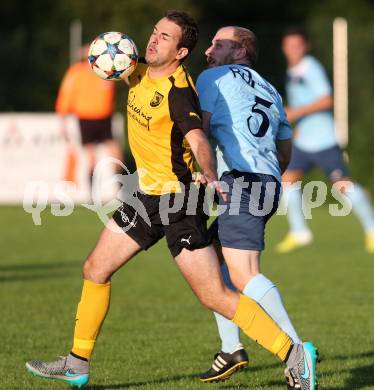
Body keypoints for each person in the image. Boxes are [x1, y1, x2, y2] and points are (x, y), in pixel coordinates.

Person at [25, 11, 315, 390]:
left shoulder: (181, 93)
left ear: (180, 52)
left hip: (180, 202)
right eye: (155, 33)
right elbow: (115, 65)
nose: (154, 40)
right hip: (147, 196)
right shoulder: (137, 70)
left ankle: (291, 352)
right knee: (95, 268)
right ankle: (77, 363)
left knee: (215, 294)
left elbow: (197, 139)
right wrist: (99, 54)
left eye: (165, 37)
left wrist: (208, 171)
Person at [195, 26, 317, 389]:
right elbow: (285, 150)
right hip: (266, 180)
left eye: (220, 44)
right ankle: (231, 348)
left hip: (241, 181)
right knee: (214, 262)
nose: (209, 49)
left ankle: (297, 351)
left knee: (244, 273)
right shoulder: (270, 88)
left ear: (240, 51)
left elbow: (198, 130)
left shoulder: (212, 78)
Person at [276, 27, 374, 253]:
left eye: (297, 45)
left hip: (323, 141)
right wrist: (299, 128)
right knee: (287, 180)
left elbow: (326, 100)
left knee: (343, 186)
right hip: (305, 140)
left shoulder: (311, 68)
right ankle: (300, 232)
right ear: (284, 48)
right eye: (289, 45)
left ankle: (371, 229)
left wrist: (296, 114)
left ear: (305, 46)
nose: (293, 49)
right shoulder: (293, 70)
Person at [55, 44, 123, 188]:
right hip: (85, 117)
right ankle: (93, 192)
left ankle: (122, 188)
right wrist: (62, 119)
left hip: (104, 116)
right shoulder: (76, 72)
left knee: (115, 152)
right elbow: (66, 95)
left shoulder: (105, 70)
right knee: (91, 157)